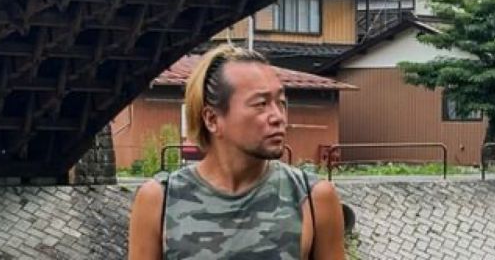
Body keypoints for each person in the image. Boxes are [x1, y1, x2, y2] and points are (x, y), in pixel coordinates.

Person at [128, 45, 346, 260]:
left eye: (281, 102)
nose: (278, 117)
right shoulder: (160, 200)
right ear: (212, 119)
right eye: (261, 104)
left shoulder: (314, 197)